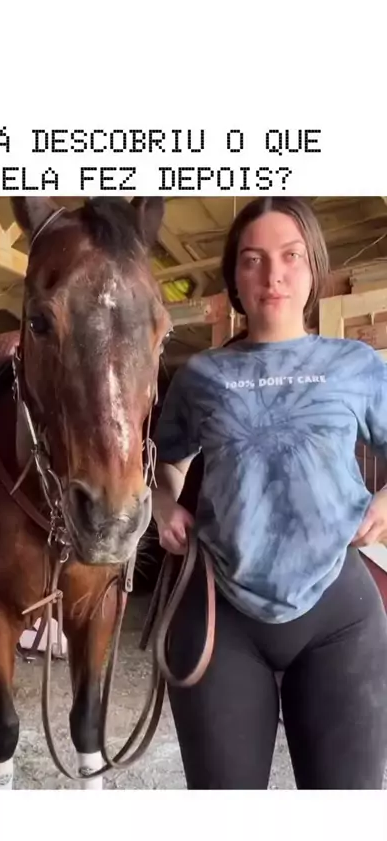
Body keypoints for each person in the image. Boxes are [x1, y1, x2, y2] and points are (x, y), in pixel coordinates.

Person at [151, 196, 387, 790]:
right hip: (221, 614)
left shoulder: (355, 364)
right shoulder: (201, 375)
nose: (272, 275)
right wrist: (162, 503)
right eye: (253, 259)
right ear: (234, 276)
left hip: (338, 615)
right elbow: (165, 462)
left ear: (314, 266)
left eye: (290, 256)